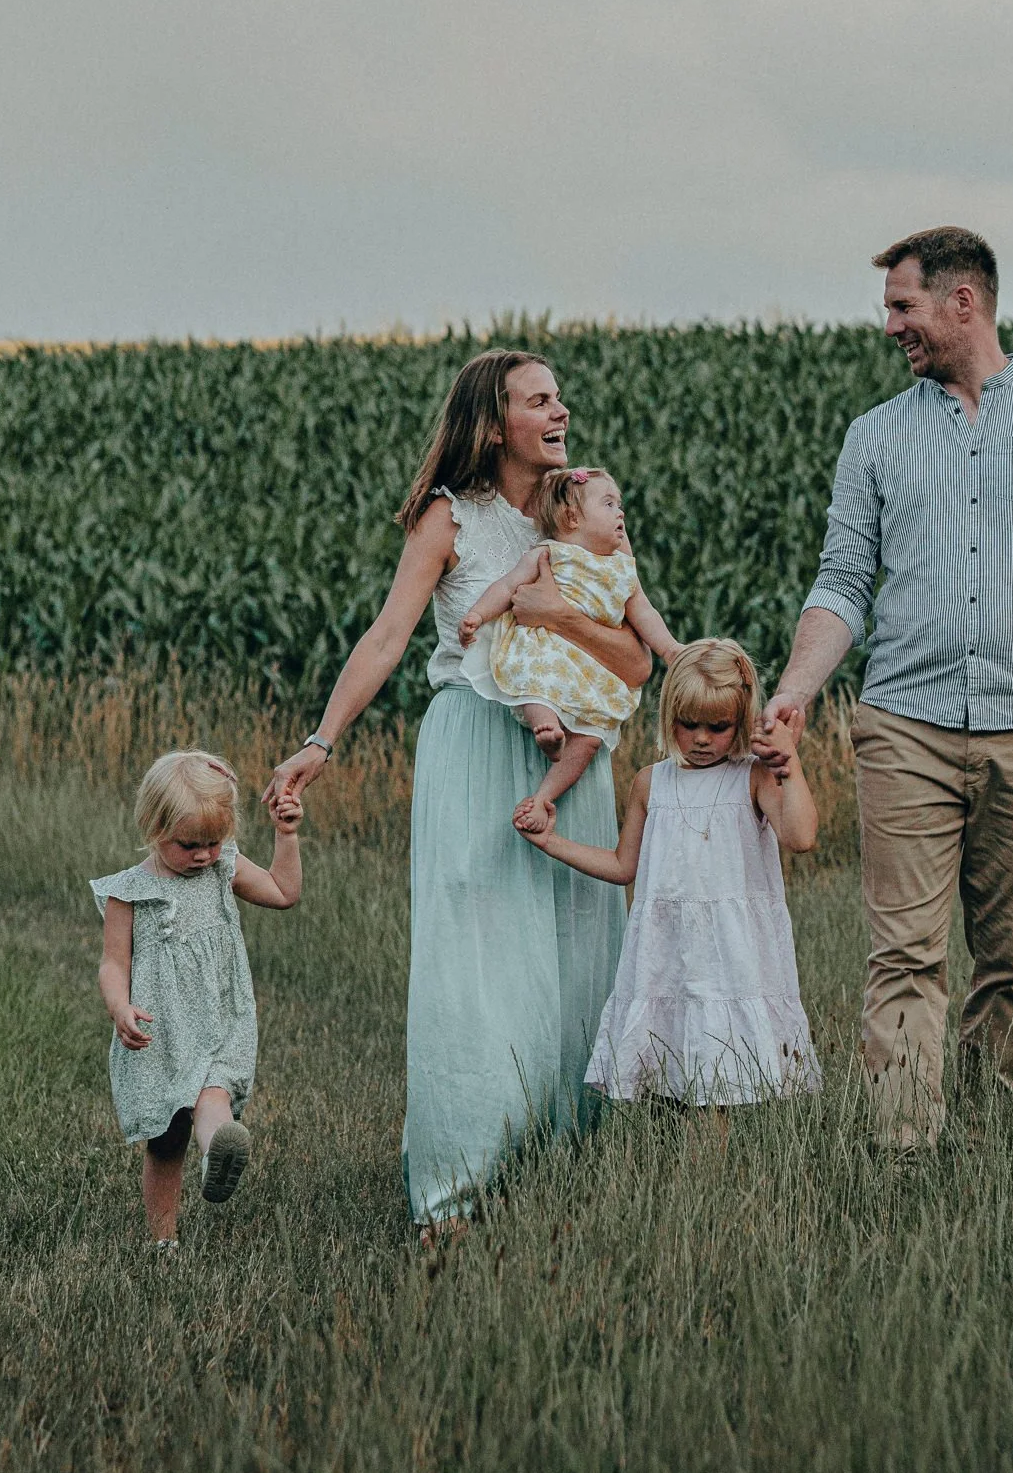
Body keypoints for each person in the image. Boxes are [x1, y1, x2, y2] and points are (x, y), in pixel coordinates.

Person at [762, 225, 1013, 1148]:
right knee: (903, 952)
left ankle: (988, 1151)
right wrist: (797, 689)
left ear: (961, 302)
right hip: (906, 723)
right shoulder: (875, 437)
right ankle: (903, 1156)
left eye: (903, 306)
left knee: (1012, 962)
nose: (890, 325)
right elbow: (843, 580)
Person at [264, 350, 650, 1241]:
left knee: (578, 956)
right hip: (475, 746)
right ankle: (457, 1193)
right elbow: (390, 635)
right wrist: (322, 742)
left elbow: (634, 664)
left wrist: (554, 615)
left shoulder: (587, 522)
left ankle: (563, 1178)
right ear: (493, 422)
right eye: (539, 400)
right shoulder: (451, 520)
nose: (561, 410)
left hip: (573, 768)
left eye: (560, 397)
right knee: (475, 970)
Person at [519, 639, 822, 1108]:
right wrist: (550, 842)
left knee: (715, 1085)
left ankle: (704, 1175)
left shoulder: (753, 775)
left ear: (741, 721)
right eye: (688, 725)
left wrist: (790, 764)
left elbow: (800, 836)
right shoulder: (650, 782)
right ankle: (673, 1169)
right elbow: (623, 867)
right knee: (666, 1081)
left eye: (718, 727)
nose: (702, 738)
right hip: (668, 952)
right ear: (668, 717)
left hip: (730, 955)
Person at [92, 750, 302, 1251]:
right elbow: (113, 964)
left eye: (214, 841)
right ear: (153, 826)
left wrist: (286, 836)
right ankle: (163, 1242)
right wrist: (119, 1007)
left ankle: (217, 1156)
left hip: (218, 1020)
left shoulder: (223, 868)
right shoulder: (130, 892)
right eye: (190, 845)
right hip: (160, 1032)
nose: (204, 855)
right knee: (166, 1142)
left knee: (214, 1097)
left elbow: (282, 891)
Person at [455, 465, 679, 832]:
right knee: (531, 676)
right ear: (572, 516)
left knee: (591, 736)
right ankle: (544, 725)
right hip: (547, 652)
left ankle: (545, 796)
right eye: (609, 504)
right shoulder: (549, 554)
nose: (620, 513)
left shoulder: (622, 567)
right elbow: (507, 586)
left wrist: (670, 650)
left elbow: (645, 614)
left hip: (588, 668)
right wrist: (478, 615)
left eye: (619, 504)